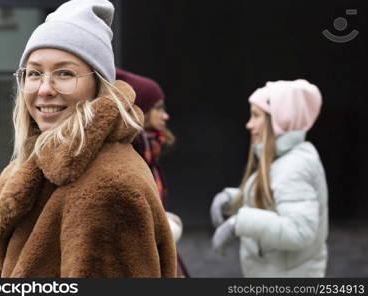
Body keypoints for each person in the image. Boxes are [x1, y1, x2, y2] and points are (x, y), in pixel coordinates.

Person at [0, 0, 177, 278]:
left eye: (65, 73)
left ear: (97, 86)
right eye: (34, 73)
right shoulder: (32, 166)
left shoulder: (108, 188)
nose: (45, 89)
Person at [210, 79, 328, 277]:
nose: (249, 124)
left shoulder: (293, 166)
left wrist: (238, 222)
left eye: (256, 116)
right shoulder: (285, 158)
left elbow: (299, 231)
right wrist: (233, 197)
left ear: (281, 120)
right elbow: (275, 195)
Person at [116, 68, 190, 278]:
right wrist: (164, 228)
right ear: (142, 109)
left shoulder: (151, 153)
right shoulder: (132, 155)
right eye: (158, 108)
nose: (165, 115)